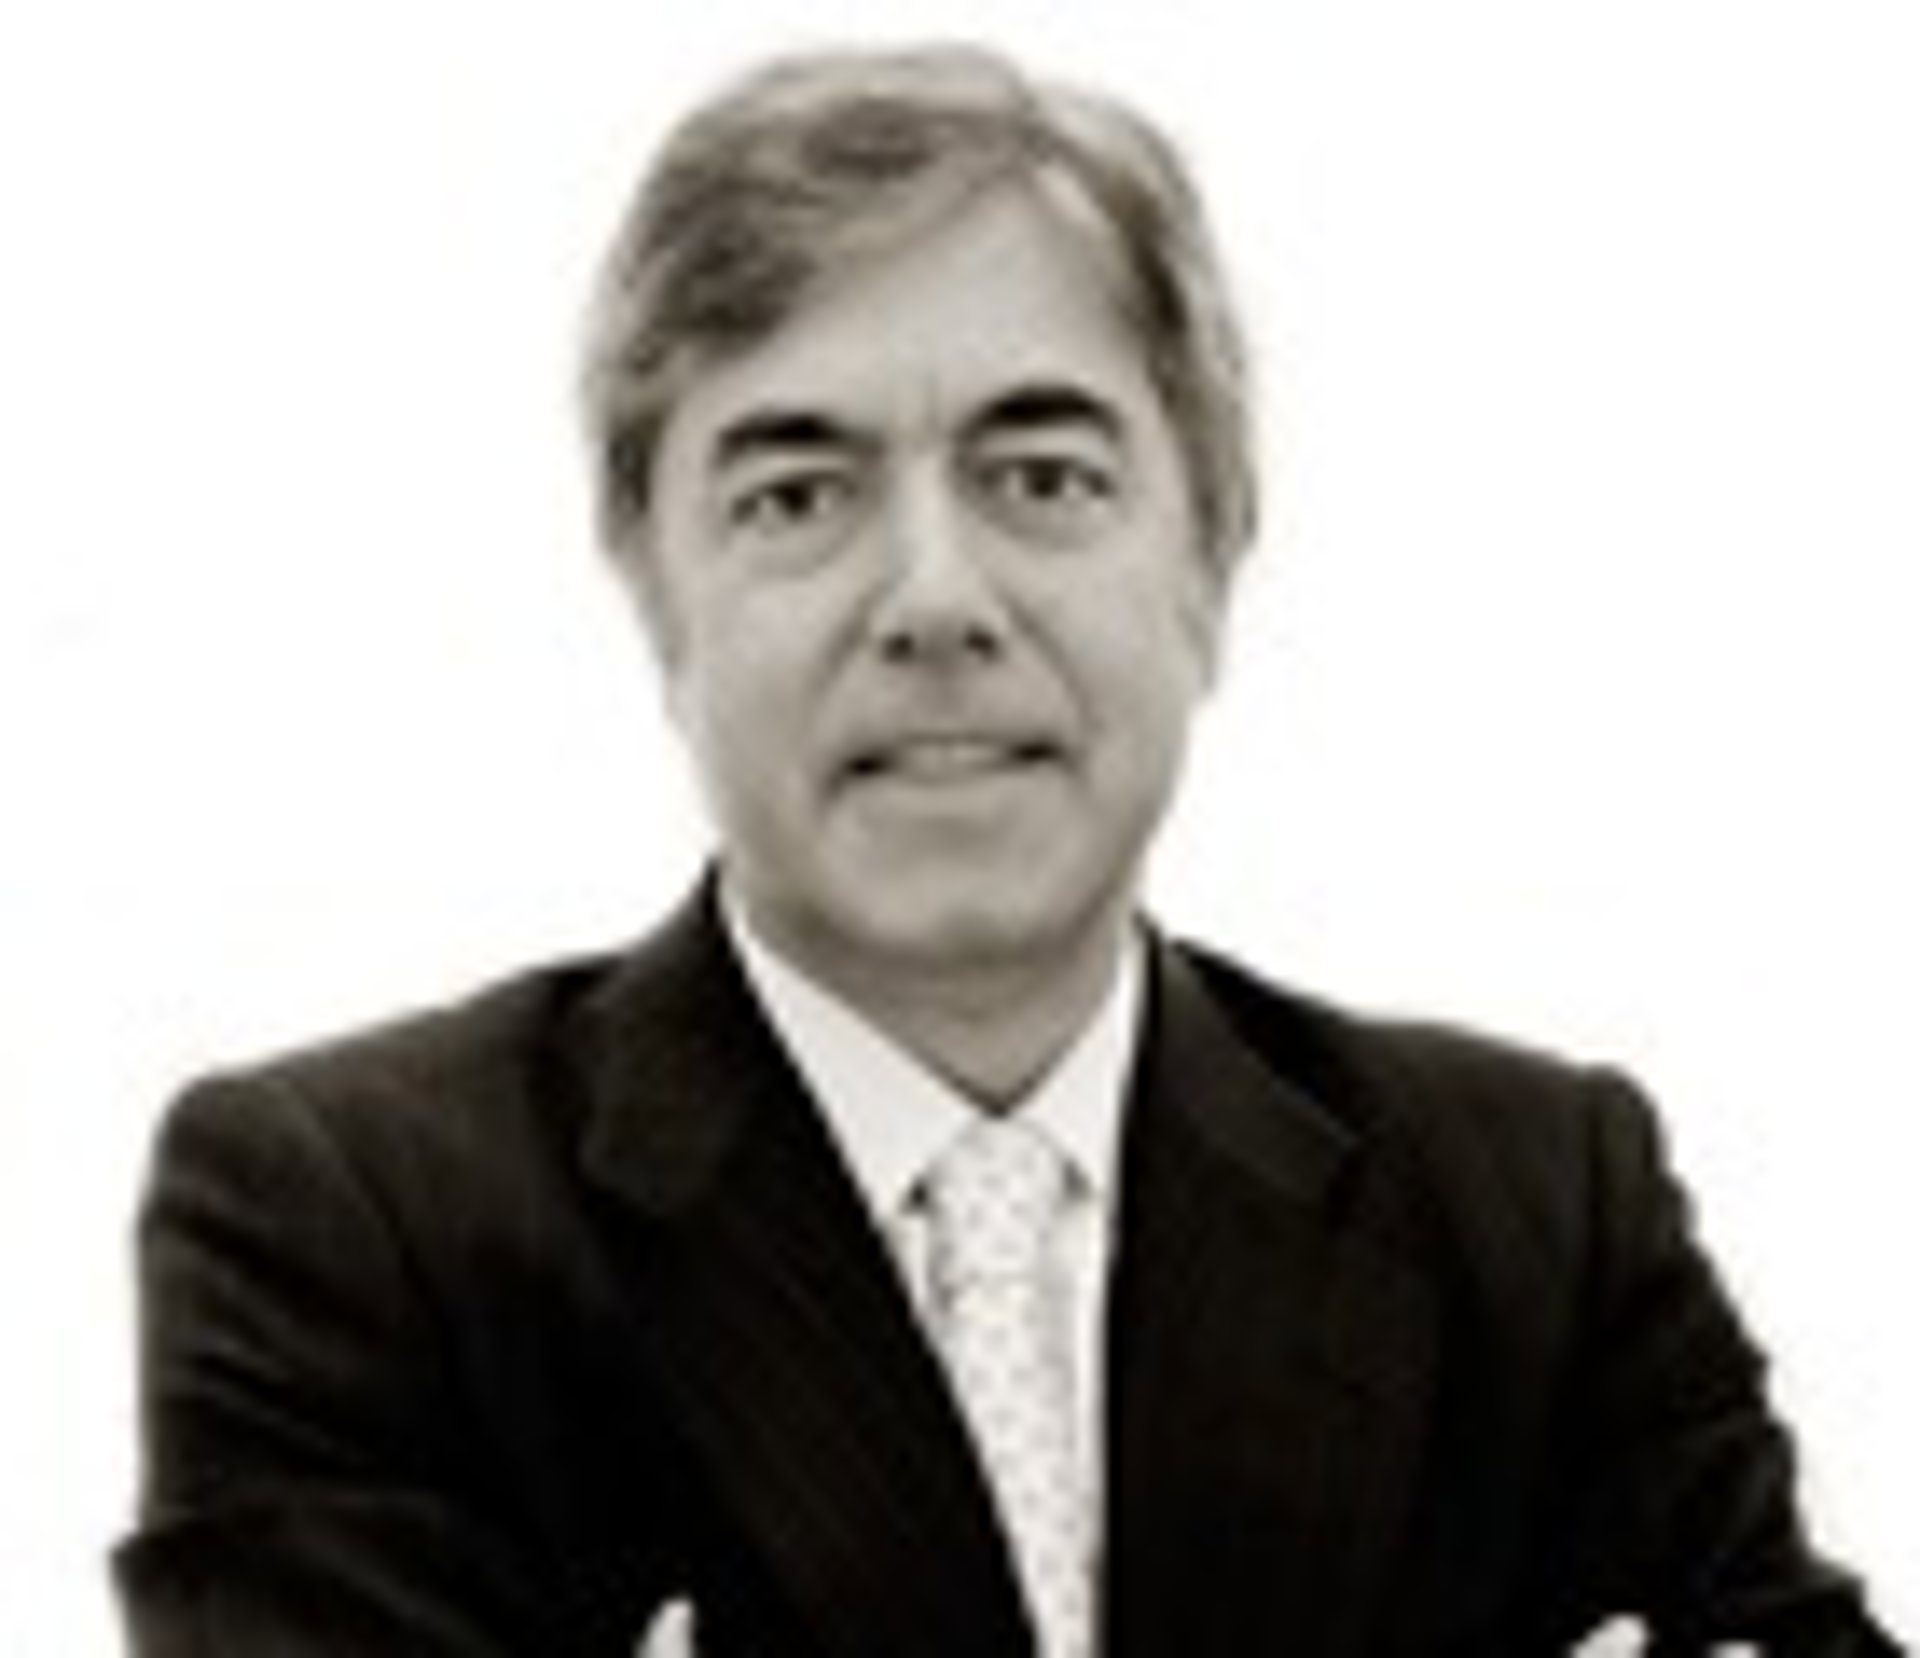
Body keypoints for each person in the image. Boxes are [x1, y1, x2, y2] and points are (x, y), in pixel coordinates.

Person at [115, 43, 1900, 1658]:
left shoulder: (1541, 1211)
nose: (936, 599)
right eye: (797, 494)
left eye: (1040, 475)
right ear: (658, 595)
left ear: (1210, 559)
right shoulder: (352, 1231)